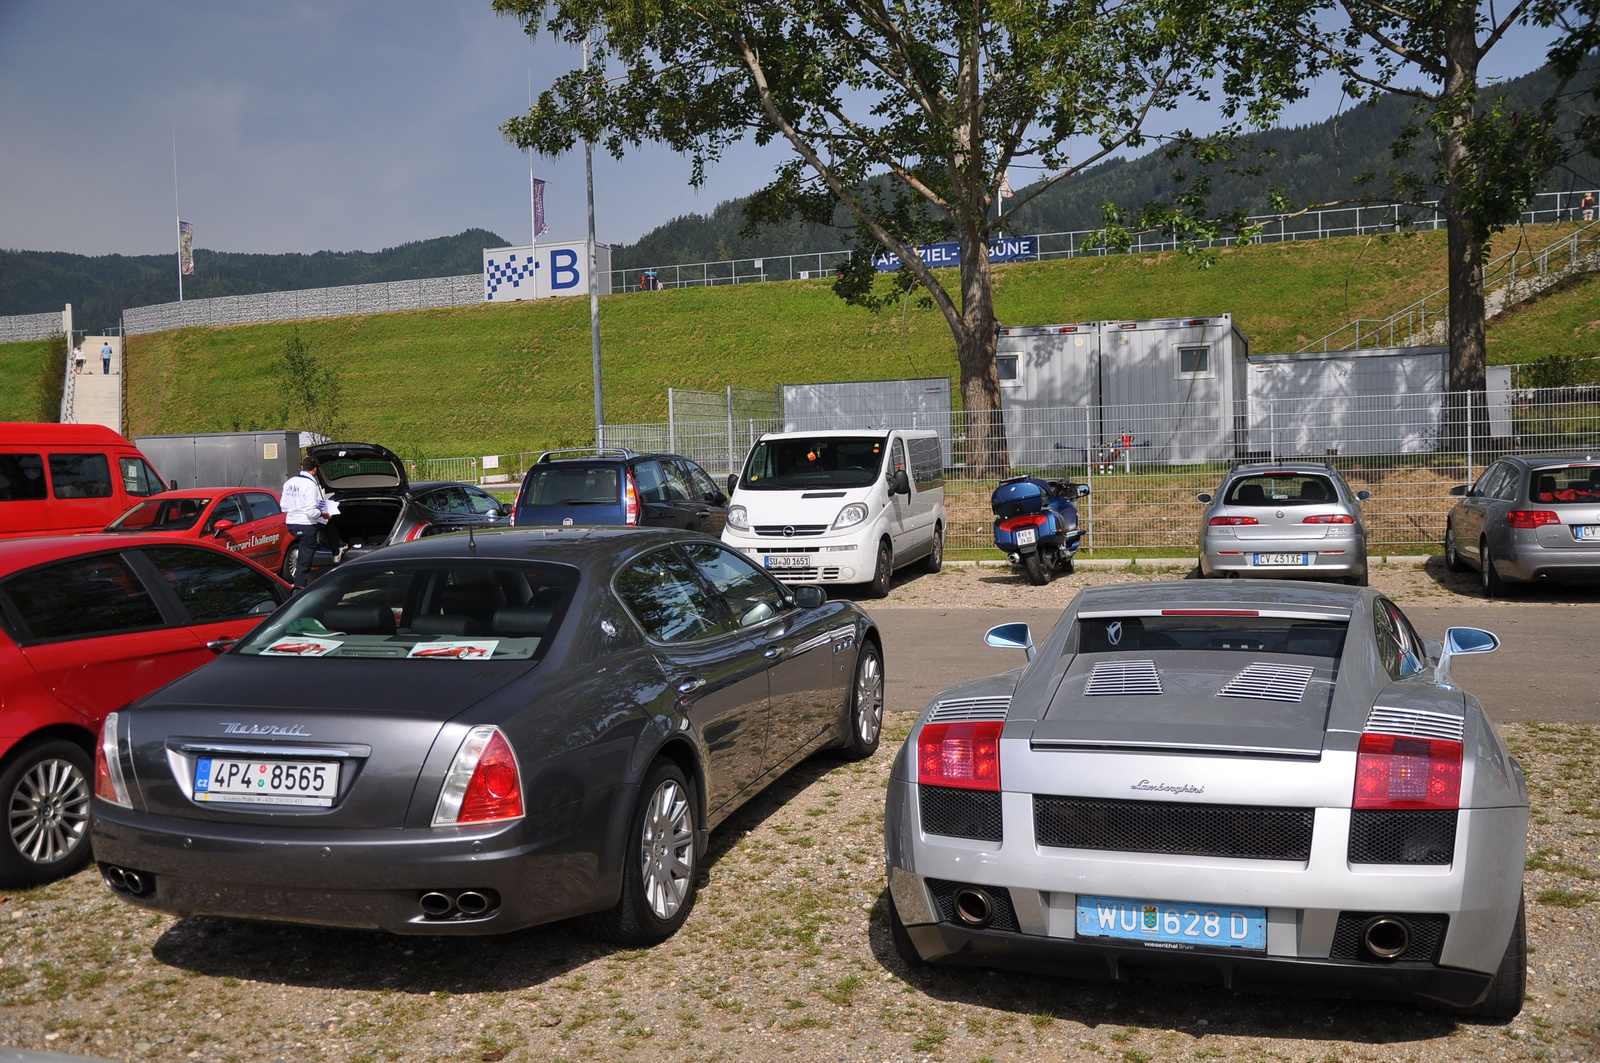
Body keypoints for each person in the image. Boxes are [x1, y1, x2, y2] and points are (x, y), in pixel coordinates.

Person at [281, 455, 345, 590]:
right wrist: (323, 513)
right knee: (304, 562)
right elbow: (311, 512)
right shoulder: (310, 485)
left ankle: (337, 548)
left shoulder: (289, 482)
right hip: (306, 526)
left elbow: (284, 506)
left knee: (326, 524)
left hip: (291, 524)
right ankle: (298, 590)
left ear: (302, 467)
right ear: (315, 470)